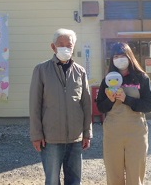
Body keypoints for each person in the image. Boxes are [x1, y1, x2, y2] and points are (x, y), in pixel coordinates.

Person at [29, 28, 93, 185]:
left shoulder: (80, 72)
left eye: (69, 45)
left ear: (73, 47)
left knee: (74, 180)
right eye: (61, 44)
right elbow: (34, 104)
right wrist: (36, 134)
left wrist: (87, 133)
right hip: (51, 138)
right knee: (52, 180)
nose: (65, 48)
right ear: (53, 47)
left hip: (75, 137)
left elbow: (86, 104)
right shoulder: (41, 70)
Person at [96, 42, 151, 185]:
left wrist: (126, 99)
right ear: (112, 60)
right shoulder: (108, 80)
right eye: (116, 56)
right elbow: (101, 107)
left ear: (129, 57)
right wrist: (110, 100)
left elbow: (149, 105)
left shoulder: (142, 78)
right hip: (113, 133)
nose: (119, 59)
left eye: (122, 55)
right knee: (113, 174)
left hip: (136, 133)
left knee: (135, 175)